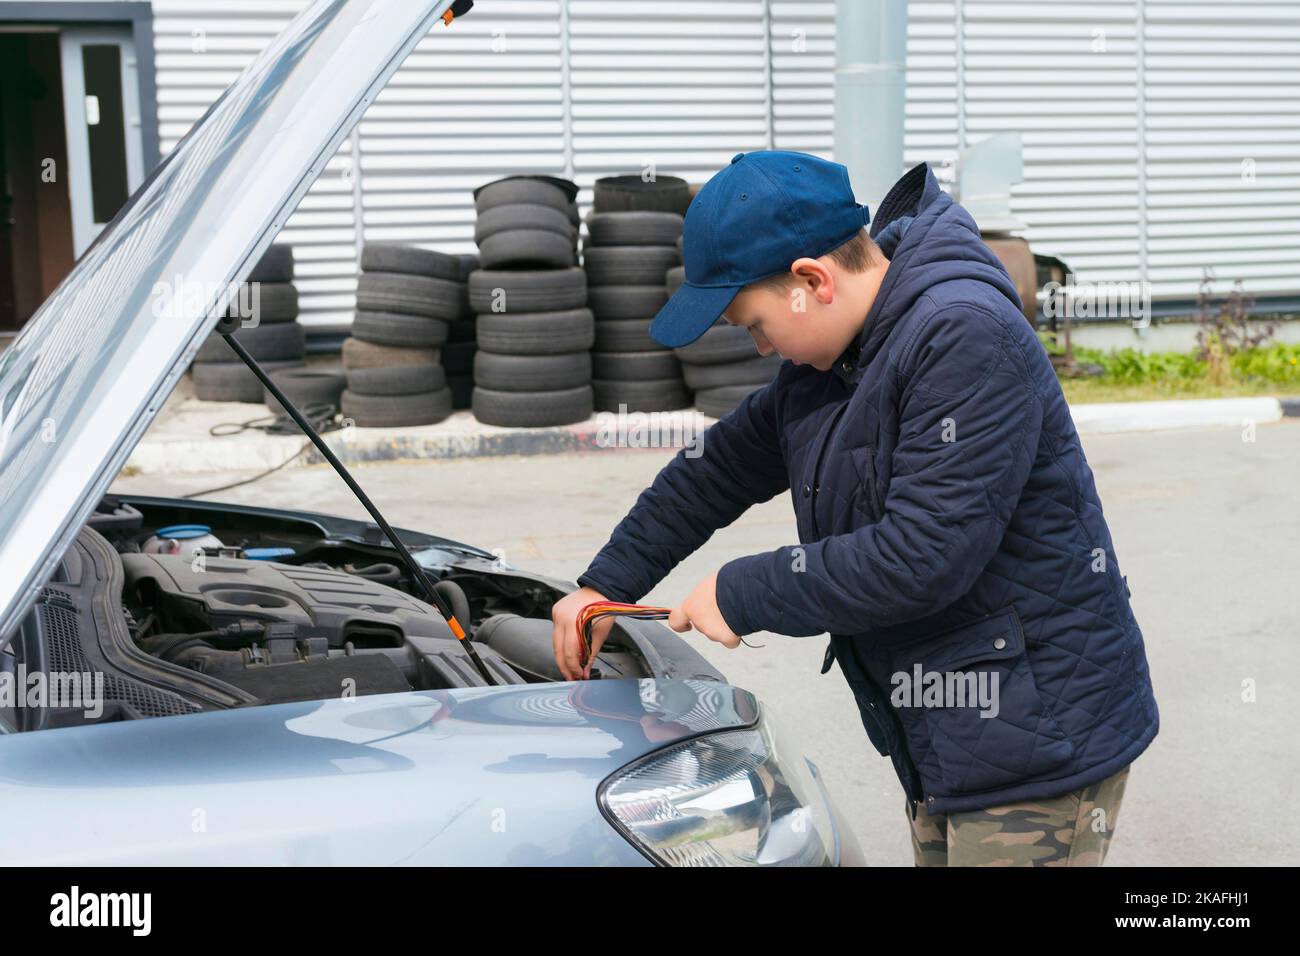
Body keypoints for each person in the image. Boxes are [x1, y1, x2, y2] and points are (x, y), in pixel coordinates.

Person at [551, 151, 1159, 866]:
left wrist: (743, 590)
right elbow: (713, 472)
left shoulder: (964, 336)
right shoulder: (834, 362)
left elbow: (922, 557)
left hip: (1040, 737)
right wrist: (605, 584)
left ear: (812, 280)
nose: (759, 344)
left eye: (755, 323)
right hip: (957, 726)